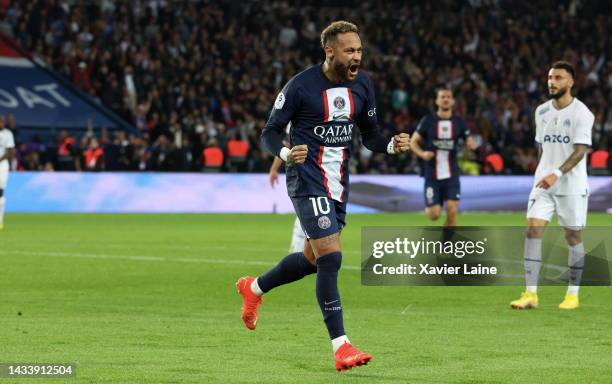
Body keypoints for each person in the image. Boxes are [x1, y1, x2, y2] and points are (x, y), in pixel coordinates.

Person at [235, 21, 410, 371]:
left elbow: (370, 135)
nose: (356, 56)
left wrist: (391, 144)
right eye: (349, 50)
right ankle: (341, 346)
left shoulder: (363, 84)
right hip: (306, 179)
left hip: (338, 184)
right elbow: (269, 131)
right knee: (331, 258)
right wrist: (285, 154)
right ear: (330, 51)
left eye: (359, 50)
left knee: (311, 260)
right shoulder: (300, 87)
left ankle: (253, 288)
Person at [510, 61, 594, 310]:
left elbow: (581, 151)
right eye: (549, 77)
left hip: (572, 185)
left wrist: (556, 173)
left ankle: (572, 295)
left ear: (570, 82)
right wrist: (543, 172)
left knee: (572, 236)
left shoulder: (582, 113)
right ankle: (530, 294)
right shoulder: (542, 111)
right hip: (544, 184)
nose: (551, 82)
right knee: (533, 231)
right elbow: (541, 148)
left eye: (558, 77)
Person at [410, 88, 477, 229]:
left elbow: (469, 140)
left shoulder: (459, 122)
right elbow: (413, 141)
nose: (445, 99)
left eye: (448, 97)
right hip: (432, 175)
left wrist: (470, 145)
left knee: (452, 211)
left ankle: (446, 246)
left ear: (452, 101)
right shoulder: (428, 120)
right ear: (437, 101)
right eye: (442, 97)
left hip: (452, 174)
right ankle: (434, 204)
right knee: (433, 215)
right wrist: (422, 154)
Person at [0, 114, 16, 229]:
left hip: (2, 165)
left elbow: (10, 151)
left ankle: (0, 220)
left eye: (2, 121)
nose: (1, 123)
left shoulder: (7, 134)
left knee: (0, 192)